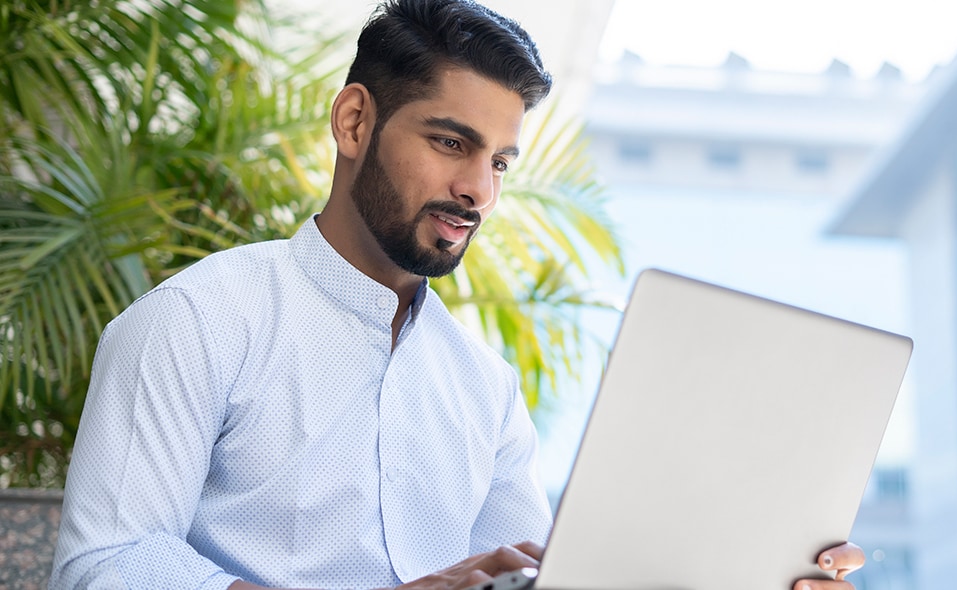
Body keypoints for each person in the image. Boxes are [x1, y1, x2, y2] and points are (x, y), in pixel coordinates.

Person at [48, 1, 866, 588]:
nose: (478, 190)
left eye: (501, 162)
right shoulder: (198, 321)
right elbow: (104, 563)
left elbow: (535, 576)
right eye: (451, 142)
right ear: (355, 123)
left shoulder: (483, 385)